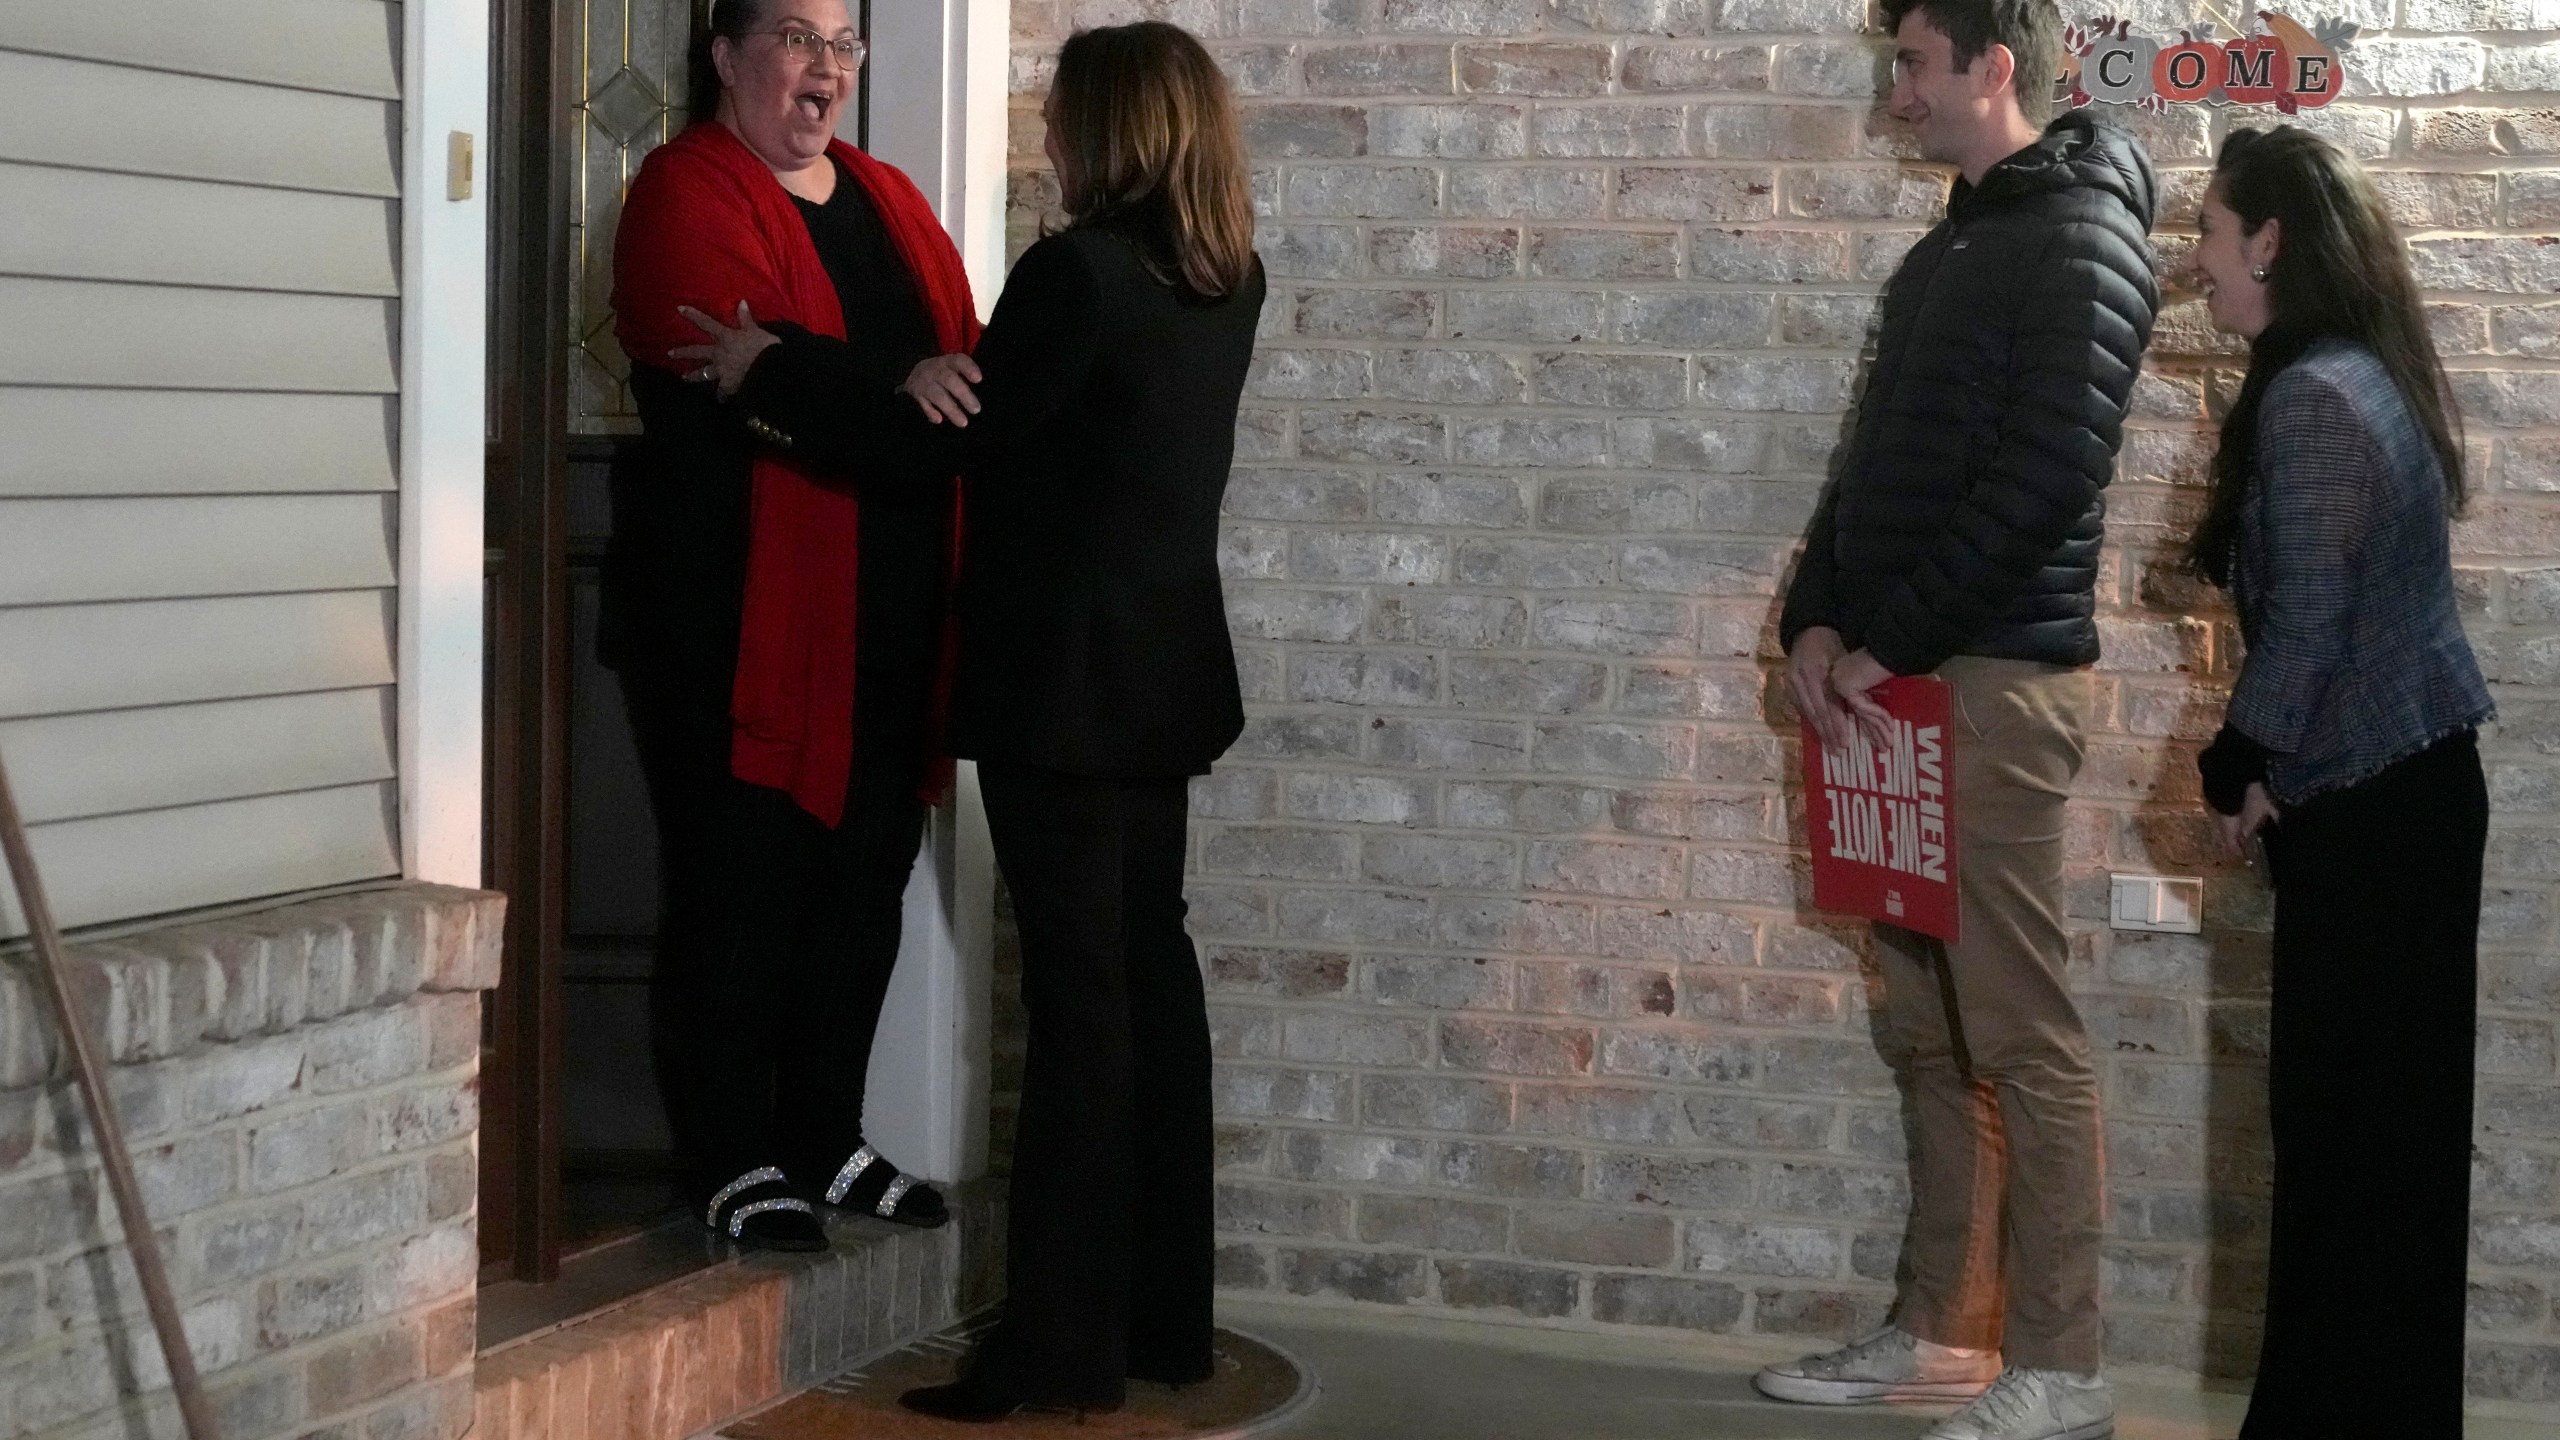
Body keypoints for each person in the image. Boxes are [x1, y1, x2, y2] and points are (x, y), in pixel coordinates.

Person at [675, 19, 1264, 1418]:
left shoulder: (1078, 275)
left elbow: (941, 436)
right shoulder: (1225, 275)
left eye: (1059, 118)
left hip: (1062, 694)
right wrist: (933, 379)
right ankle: (1160, 1323)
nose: (1045, 141)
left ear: (1112, 128)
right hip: (1165, 681)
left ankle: (1053, 1355)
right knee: (1151, 989)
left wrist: (775, 367)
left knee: (1081, 1015)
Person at [1759, 0, 2159, 1434]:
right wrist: (1817, 611)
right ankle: (1940, 1327)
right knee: (1927, 1029)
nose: (1898, 88)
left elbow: (2048, 476)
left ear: (1995, 67)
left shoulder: (2083, 236)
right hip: (1901, 678)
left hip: (1988, 687)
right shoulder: (1961, 236)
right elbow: (1873, 457)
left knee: (2021, 1034)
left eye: (1915, 62)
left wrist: (1892, 642)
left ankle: (2060, 1366)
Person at [603, 0, 973, 1249]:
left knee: (858, 891)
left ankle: (825, 1136)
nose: (824, 70)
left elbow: (961, 388)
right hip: (733, 622)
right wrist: (885, 390)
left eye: (843, 45)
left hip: (888, 614)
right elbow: (779, 390)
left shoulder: (889, 198)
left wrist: (801, 368)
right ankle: (725, 1154)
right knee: (738, 887)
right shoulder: (682, 190)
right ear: (723, 57)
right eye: (796, 39)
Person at [2182, 125, 2492, 1438]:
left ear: (2269, 241)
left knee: (2347, 1148)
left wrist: (2235, 765)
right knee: (2391, 1157)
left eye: (2207, 231)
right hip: (2406, 798)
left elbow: (2305, 623)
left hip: (2377, 817)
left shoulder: (2312, 396)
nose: (2192, 259)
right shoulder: (2358, 370)